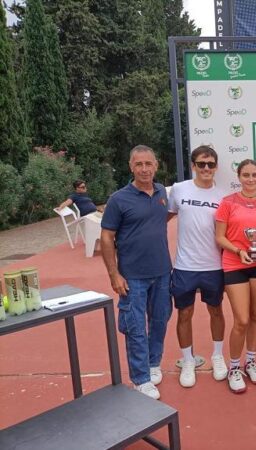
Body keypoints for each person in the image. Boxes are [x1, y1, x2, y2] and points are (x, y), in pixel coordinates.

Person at [100, 145, 171, 400]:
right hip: (132, 277)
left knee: (160, 321)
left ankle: (153, 364)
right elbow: (107, 237)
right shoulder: (119, 199)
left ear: (156, 165)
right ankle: (140, 379)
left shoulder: (162, 192)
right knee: (135, 328)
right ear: (131, 166)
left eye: (148, 164)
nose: (144, 169)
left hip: (163, 272)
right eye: (138, 164)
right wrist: (114, 274)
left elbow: (160, 219)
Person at [168, 145, 227, 388]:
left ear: (216, 167)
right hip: (184, 266)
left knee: (216, 311)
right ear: (193, 165)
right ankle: (188, 360)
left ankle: (217, 355)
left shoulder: (223, 195)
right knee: (184, 314)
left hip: (214, 265)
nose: (206, 168)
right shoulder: (179, 190)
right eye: (201, 164)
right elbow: (162, 219)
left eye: (210, 164)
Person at [215, 160, 256, 394]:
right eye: (246, 175)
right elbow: (220, 237)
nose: (250, 179)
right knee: (242, 319)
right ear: (239, 176)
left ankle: (250, 361)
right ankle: (235, 367)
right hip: (234, 264)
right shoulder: (228, 202)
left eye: (255, 175)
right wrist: (239, 251)